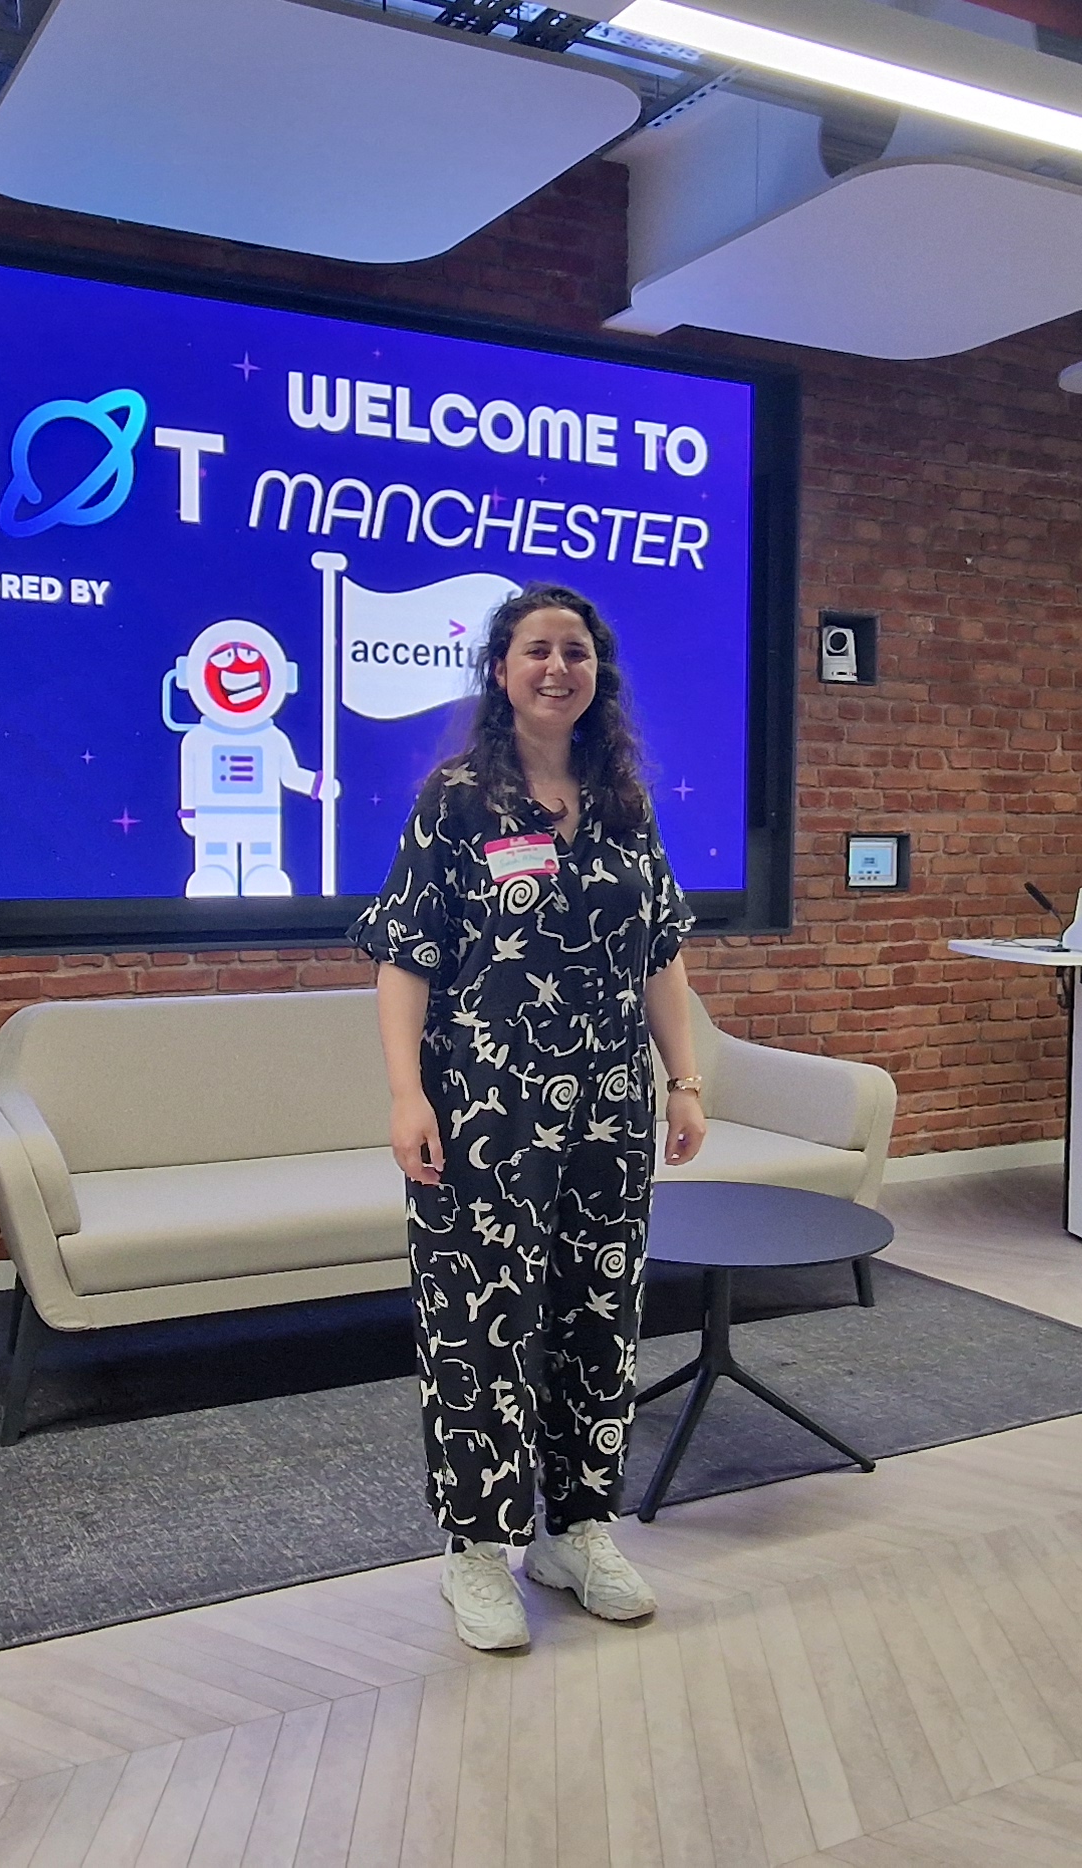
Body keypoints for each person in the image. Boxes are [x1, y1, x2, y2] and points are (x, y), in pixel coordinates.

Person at [353, 583, 707, 1652]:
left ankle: (577, 1528)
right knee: (479, 1326)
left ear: (597, 673)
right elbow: (403, 957)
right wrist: (407, 1094)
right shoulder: (456, 798)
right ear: (500, 671)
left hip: (606, 1106)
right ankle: (475, 1549)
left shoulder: (624, 802)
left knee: (599, 1315)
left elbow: (662, 949)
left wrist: (682, 1079)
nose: (559, 667)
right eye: (536, 651)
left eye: (577, 652)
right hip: (483, 1114)